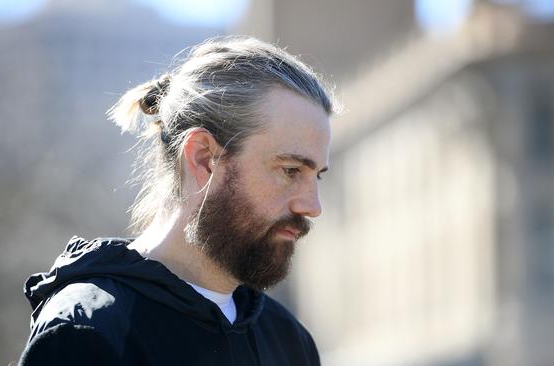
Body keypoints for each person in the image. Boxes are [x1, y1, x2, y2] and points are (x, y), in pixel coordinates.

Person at [19, 36, 335, 366]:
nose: (313, 206)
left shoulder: (288, 340)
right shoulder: (89, 333)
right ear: (203, 158)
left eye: (318, 175)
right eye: (290, 170)